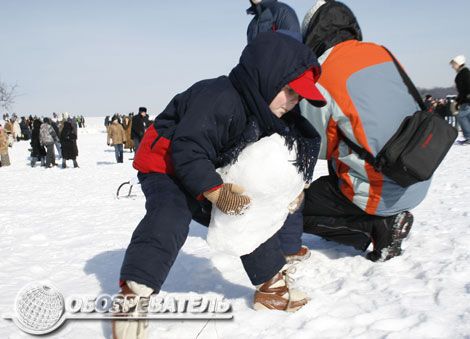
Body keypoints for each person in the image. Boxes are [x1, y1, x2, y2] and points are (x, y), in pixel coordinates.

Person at [113, 32, 326, 339]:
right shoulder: (220, 98)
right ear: (267, 76)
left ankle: (269, 285)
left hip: (208, 167)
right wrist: (214, 190)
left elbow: (275, 160)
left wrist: (290, 188)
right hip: (166, 165)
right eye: (291, 90)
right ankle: (134, 292)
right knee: (172, 214)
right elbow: (187, 148)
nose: (295, 101)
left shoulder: (264, 111)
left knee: (247, 211)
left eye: (300, 96)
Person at [300, 0, 431, 262]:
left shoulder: (321, 74)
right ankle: (376, 217)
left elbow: (320, 147)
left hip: (382, 191)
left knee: (294, 211)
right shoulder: (382, 52)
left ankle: (375, 227)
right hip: (419, 174)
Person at [245, 0, 311, 261]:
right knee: (262, 168)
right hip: (260, 100)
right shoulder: (253, 23)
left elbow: (291, 55)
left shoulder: (284, 13)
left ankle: (290, 245)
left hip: (284, 99)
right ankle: (265, 239)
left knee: (290, 168)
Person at [450, 55, 470, 145]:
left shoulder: (464, 73)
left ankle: (468, 137)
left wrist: (465, 97)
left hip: (466, 100)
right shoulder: (463, 73)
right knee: (466, 117)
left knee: (461, 116)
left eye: (453, 64)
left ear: (459, 63)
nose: (452, 66)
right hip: (464, 100)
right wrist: (457, 100)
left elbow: (467, 87)